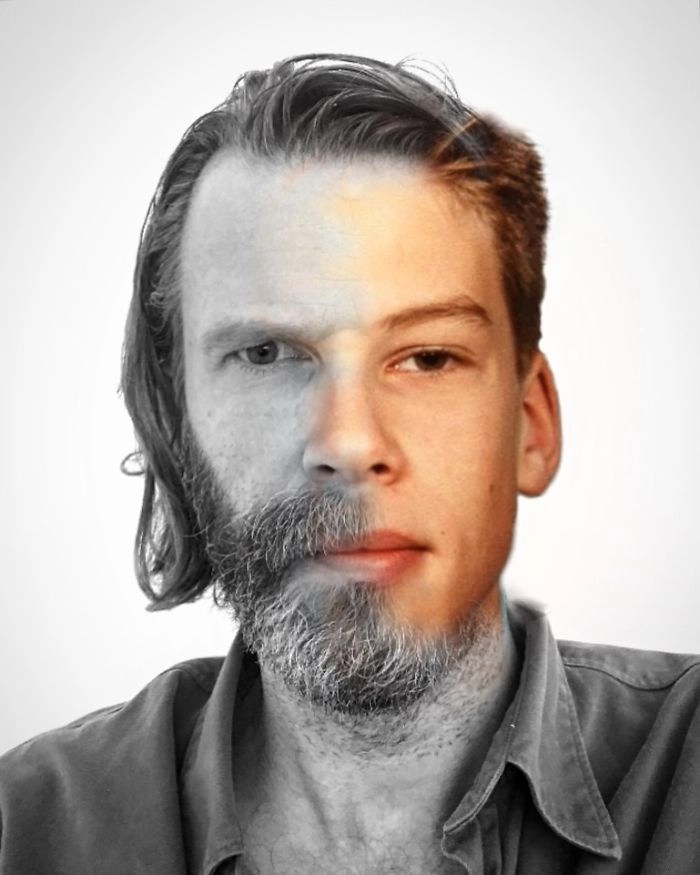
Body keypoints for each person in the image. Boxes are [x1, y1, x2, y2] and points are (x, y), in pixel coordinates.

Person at [1, 52, 699, 875]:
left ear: (529, 422)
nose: (349, 440)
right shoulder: (25, 832)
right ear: (172, 424)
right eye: (265, 353)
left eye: (428, 357)